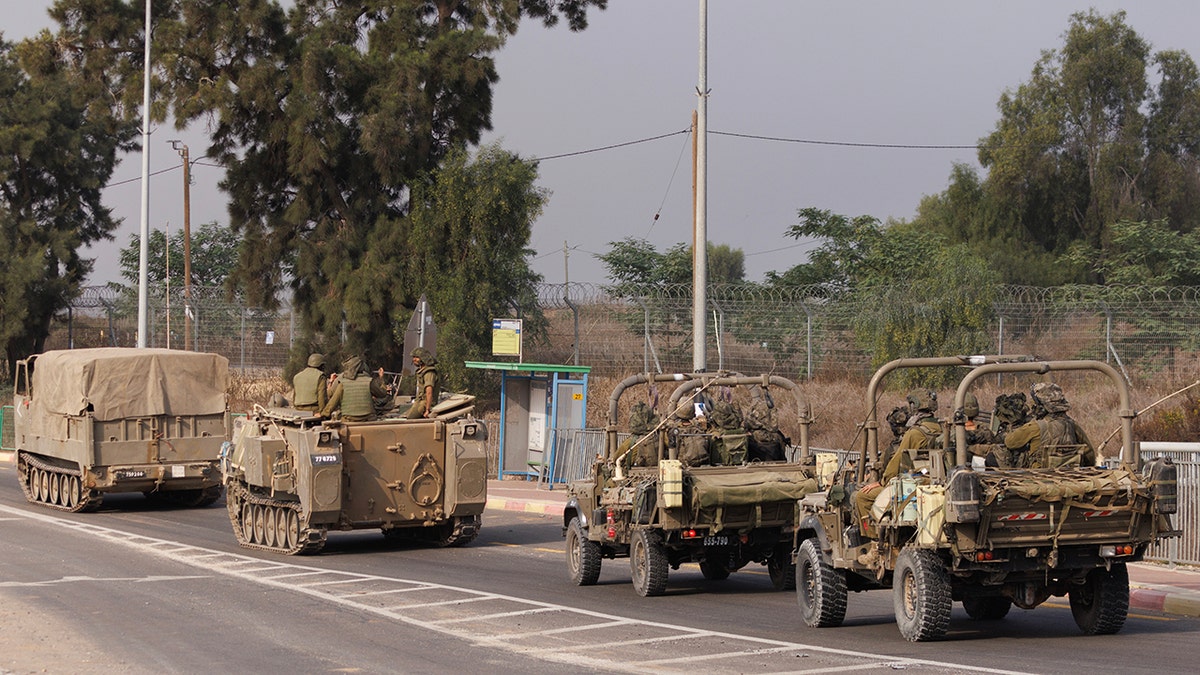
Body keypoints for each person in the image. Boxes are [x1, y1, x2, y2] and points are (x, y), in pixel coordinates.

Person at [854, 389, 942, 558]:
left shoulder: (915, 432)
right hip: (935, 480)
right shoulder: (940, 427)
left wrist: (882, 482)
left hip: (914, 483)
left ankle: (876, 548)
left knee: (862, 497)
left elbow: (897, 461)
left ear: (915, 406)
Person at [1004, 383, 1096, 468]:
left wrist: (1012, 426)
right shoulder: (1072, 424)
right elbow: (1089, 454)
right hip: (1069, 476)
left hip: (1040, 478)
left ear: (1041, 405)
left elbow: (1010, 442)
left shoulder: (1035, 427)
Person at [321, 355, 389, 422]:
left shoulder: (342, 384)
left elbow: (332, 402)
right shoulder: (369, 381)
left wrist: (324, 414)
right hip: (368, 419)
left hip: (349, 419)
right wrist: (381, 379)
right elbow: (382, 394)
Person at [406, 347, 441, 419]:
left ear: (423, 358)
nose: (414, 359)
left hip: (425, 402)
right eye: (413, 357)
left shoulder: (429, 373)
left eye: (417, 357)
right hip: (419, 401)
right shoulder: (422, 371)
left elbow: (429, 392)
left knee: (410, 419)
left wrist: (427, 410)